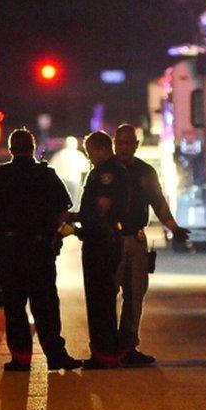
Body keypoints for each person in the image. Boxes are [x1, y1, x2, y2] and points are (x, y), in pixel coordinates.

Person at [0, 128, 82, 372]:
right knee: (46, 305)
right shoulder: (46, 174)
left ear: (10, 149)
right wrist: (54, 232)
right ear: (33, 148)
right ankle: (55, 356)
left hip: (8, 249)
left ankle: (21, 359)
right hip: (39, 248)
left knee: (14, 305)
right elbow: (64, 208)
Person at [113, 125, 190, 366]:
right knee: (107, 295)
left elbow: (159, 203)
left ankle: (128, 347)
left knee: (135, 295)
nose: (124, 147)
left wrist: (174, 228)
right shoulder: (106, 170)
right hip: (111, 242)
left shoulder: (145, 172)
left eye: (129, 143)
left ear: (136, 145)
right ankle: (107, 349)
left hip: (136, 240)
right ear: (115, 144)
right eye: (120, 143)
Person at [76, 131, 130, 369]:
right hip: (102, 238)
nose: (89, 157)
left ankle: (105, 353)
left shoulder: (107, 173)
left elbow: (101, 208)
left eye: (90, 151)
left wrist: (76, 220)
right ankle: (103, 352)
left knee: (100, 299)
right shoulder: (106, 171)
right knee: (100, 298)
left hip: (102, 241)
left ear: (100, 149)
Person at [48, 136, 89, 210]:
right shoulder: (78, 155)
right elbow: (86, 167)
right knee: (74, 200)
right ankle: (73, 216)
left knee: (63, 200)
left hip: (62, 180)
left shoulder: (59, 154)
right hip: (74, 181)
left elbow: (51, 166)